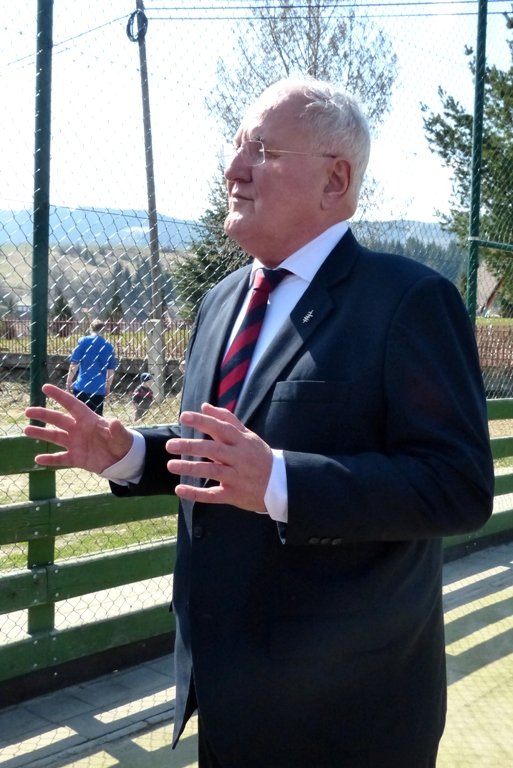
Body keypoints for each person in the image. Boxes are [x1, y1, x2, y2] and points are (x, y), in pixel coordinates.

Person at [25, 77, 494, 767]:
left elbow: (457, 486)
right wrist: (129, 454)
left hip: (348, 713)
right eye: (237, 146)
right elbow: (220, 452)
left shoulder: (408, 301)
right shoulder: (221, 301)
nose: (234, 168)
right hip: (223, 693)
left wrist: (280, 480)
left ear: (335, 180)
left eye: (263, 151)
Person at [65, 319, 118, 415]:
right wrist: (108, 386)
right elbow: (111, 369)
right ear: (104, 330)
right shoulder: (108, 346)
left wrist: (69, 381)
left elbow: (74, 363)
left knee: (79, 416)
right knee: (96, 417)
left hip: (82, 386)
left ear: (90, 329)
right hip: (99, 388)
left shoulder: (83, 341)